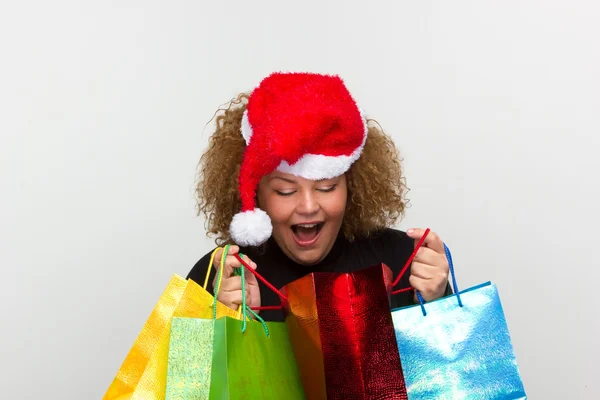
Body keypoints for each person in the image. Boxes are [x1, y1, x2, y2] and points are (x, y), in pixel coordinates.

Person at [187, 72, 451, 322]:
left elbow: (456, 364)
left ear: (352, 186)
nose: (309, 206)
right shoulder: (221, 275)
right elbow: (179, 369)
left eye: (326, 188)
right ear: (255, 194)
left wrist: (440, 302)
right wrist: (221, 321)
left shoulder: (404, 261)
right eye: (285, 191)